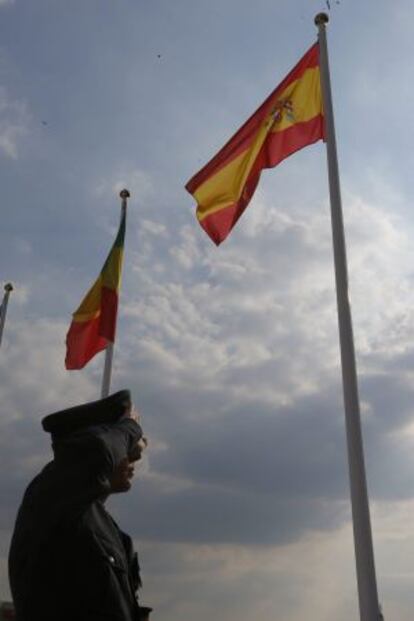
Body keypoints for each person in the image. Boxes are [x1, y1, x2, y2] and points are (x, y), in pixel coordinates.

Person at [8, 389, 152, 621]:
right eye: (125, 448)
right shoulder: (50, 494)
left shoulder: (94, 520)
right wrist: (130, 428)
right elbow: (96, 452)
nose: (134, 456)